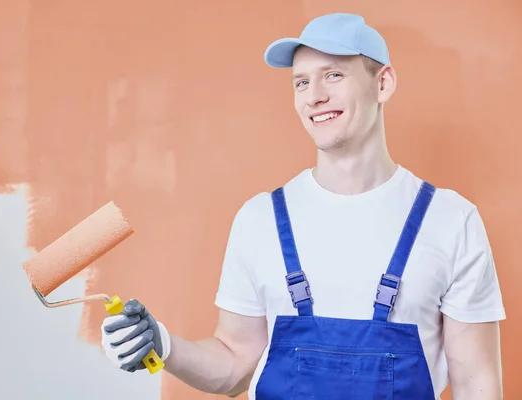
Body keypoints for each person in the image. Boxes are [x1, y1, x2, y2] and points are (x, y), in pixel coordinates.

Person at [100, 13, 506, 399]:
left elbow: (477, 385)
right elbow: (234, 366)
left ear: (382, 84)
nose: (314, 96)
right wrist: (164, 345)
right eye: (300, 82)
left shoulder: (451, 221)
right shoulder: (259, 220)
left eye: (333, 74)